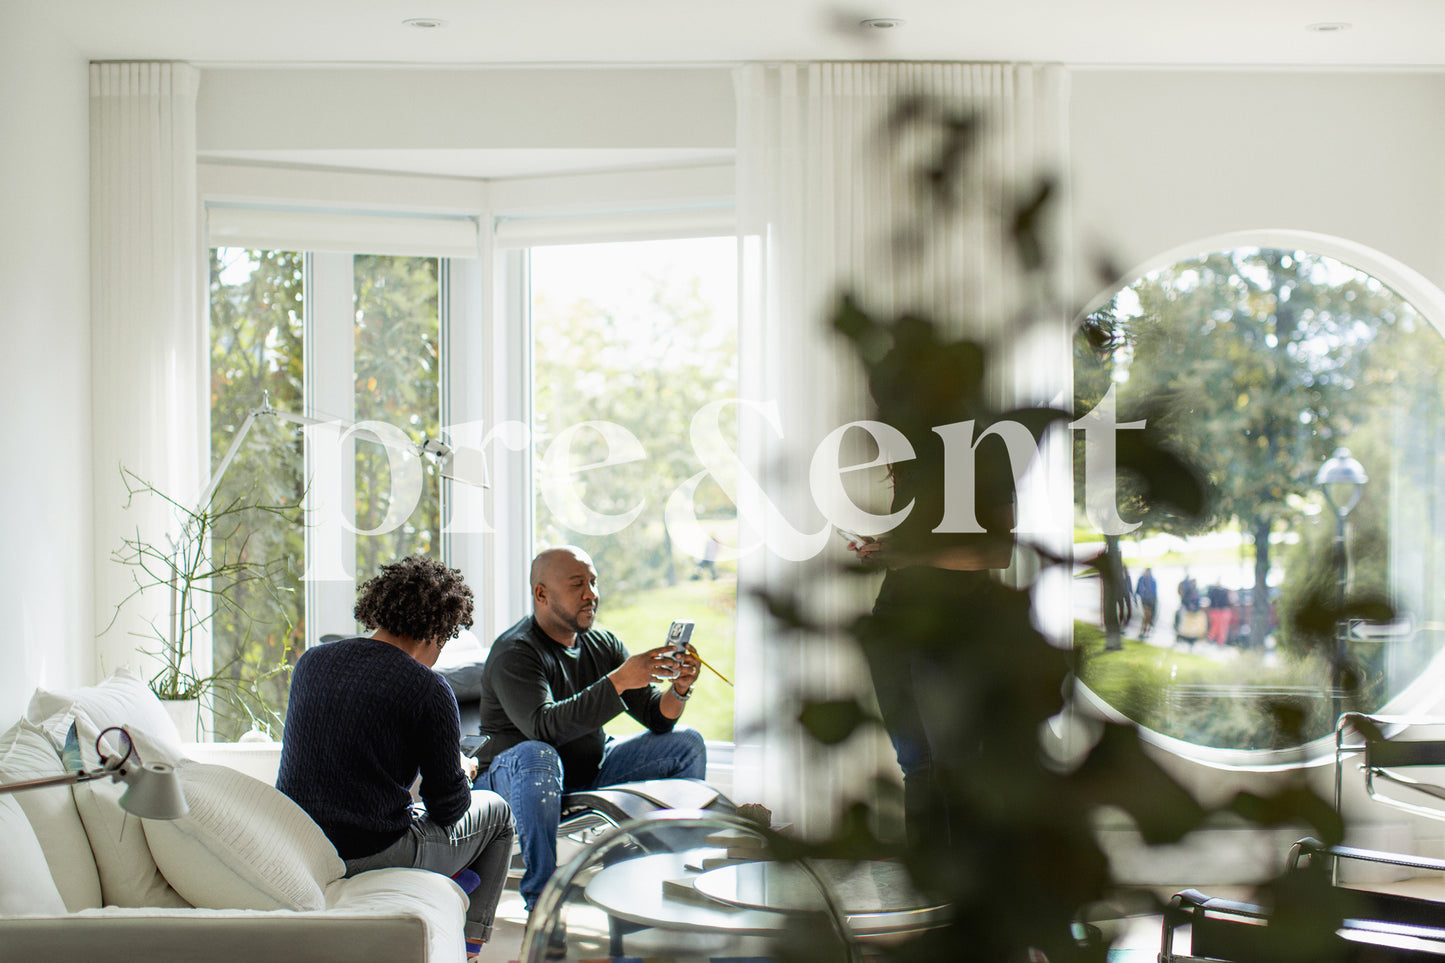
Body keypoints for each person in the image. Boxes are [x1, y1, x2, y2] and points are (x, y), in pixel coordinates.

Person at [277, 555, 514, 954]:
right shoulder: (429, 689)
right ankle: (471, 946)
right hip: (370, 851)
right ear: (438, 631)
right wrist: (461, 770)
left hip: (301, 842)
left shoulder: (311, 663)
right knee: (499, 815)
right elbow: (449, 809)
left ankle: (454, 885)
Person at [472, 545, 707, 913]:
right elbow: (543, 728)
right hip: (515, 778)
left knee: (686, 744)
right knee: (539, 756)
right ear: (541, 594)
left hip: (587, 772)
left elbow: (657, 718)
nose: (591, 594)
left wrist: (679, 689)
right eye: (578, 584)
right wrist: (618, 681)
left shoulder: (603, 645)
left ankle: (668, 875)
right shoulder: (515, 652)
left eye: (594, 583)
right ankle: (543, 905)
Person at [1134, 567, 1158, 637]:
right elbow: (1138, 589)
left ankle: (1146, 630)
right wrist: (1135, 597)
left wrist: (1155, 600)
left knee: (1149, 617)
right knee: (1146, 615)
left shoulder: (1153, 581)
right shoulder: (1141, 579)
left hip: (1151, 600)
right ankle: (1143, 631)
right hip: (1144, 600)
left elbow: (1154, 592)